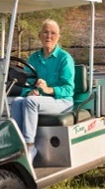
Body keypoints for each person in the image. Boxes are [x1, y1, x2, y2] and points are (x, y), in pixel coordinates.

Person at [10, 19, 75, 162]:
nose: (48, 36)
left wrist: (48, 89)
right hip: (40, 100)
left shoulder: (64, 58)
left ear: (58, 36)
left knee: (31, 102)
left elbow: (68, 89)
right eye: (45, 32)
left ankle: (29, 146)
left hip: (62, 101)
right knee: (16, 102)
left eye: (53, 33)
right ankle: (17, 145)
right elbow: (26, 84)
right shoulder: (34, 58)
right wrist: (29, 92)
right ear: (39, 35)